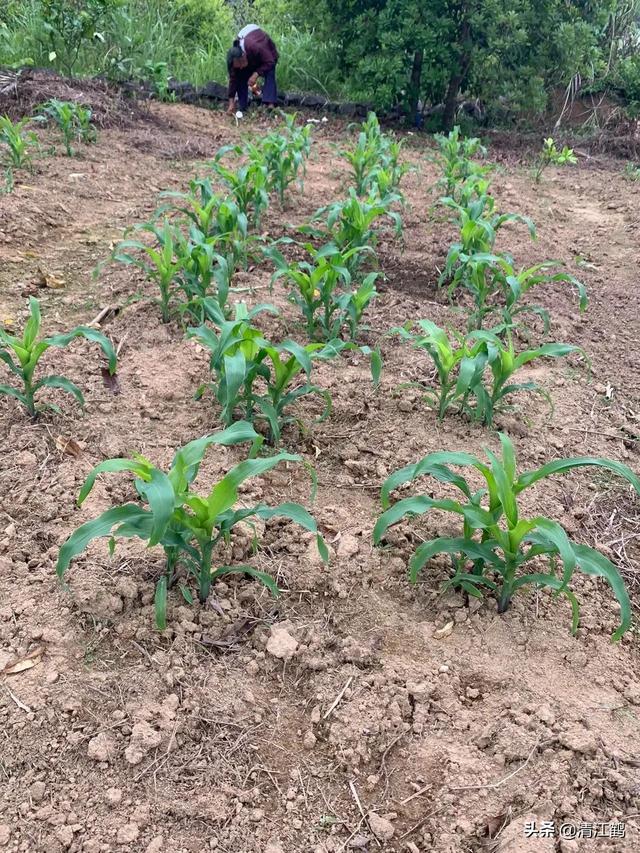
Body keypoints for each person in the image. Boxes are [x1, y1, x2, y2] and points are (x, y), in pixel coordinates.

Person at [227, 25, 279, 114]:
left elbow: (270, 61)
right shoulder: (235, 62)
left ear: (243, 56)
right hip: (251, 58)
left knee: (269, 71)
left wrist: (256, 74)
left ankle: (270, 104)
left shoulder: (255, 46)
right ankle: (243, 106)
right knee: (240, 76)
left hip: (267, 56)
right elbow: (233, 80)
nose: (240, 67)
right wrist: (231, 102)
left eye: (240, 64)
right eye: (237, 66)